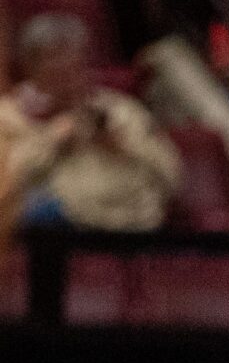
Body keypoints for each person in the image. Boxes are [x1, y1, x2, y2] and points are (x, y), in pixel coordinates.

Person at [0, 12, 179, 231]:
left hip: (135, 227)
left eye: (75, 63)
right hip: (60, 234)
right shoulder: (8, 117)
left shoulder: (121, 110)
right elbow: (7, 182)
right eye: (56, 64)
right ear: (31, 67)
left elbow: (172, 175)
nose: (68, 76)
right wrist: (53, 137)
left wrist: (123, 146)